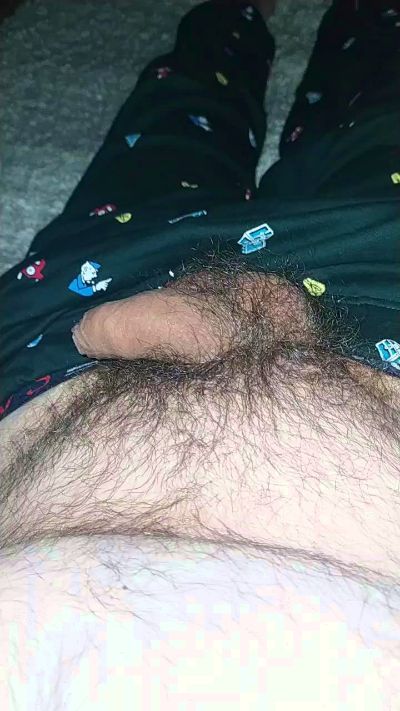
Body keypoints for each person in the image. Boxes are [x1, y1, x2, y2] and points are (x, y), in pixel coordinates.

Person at [0, 1, 399, 707]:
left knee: (175, 113)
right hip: (383, 297)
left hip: (76, 321)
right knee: (385, 102)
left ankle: (234, 13)